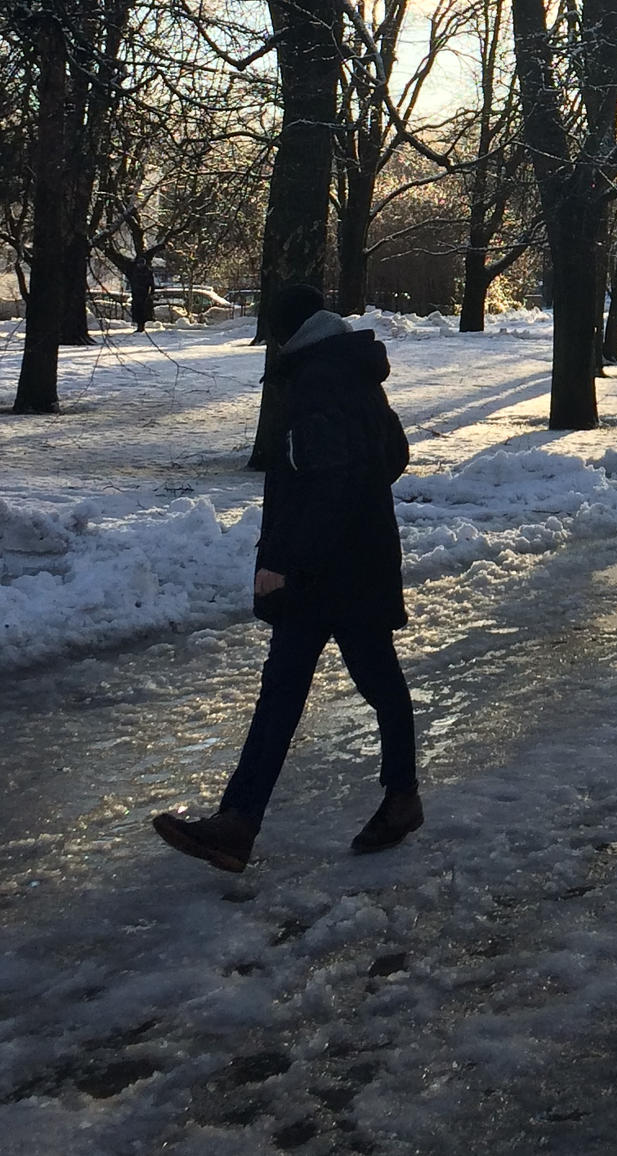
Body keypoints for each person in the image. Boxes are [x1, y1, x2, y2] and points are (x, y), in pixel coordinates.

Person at [153, 284, 419, 873]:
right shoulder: (355, 373)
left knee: (308, 690)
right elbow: (392, 455)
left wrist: (282, 562)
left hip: (324, 574)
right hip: (360, 564)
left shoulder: (318, 383)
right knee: (363, 684)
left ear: (284, 333)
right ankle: (249, 822)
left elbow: (321, 488)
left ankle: (244, 822)